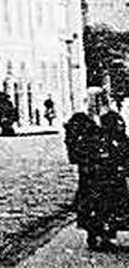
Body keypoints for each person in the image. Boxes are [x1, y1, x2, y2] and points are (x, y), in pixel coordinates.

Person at [65, 86, 129, 250]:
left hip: (111, 168)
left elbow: (122, 141)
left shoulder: (113, 118)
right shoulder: (79, 119)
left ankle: (108, 234)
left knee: (112, 200)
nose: (96, 103)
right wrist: (81, 157)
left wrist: (123, 161)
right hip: (91, 169)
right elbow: (72, 142)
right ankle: (94, 233)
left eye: (99, 98)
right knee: (92, 201)